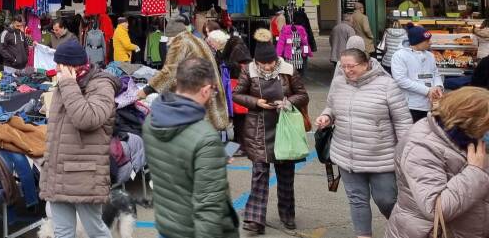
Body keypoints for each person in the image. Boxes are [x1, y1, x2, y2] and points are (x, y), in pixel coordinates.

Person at [315, 49, 411, 238]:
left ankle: (404, 231)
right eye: (343, 66)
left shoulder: (387, 85)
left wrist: (406, 153)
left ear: (366, 64)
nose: (346, 70)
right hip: (346, 154)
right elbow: (331, 106)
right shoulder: (338, 82)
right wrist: (326, 116)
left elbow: (402, 121)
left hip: (381, 157)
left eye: (351, 66)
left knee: (386, 200)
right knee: (357, 200)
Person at [142, 58, 240, 238]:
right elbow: (208, 209)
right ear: (205, 90)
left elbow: (172, 160)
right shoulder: (205, 138)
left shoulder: (152, 121)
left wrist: (211, 160)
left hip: (167, 224)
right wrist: (211, 156)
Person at [40, 22, 121, 238]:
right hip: (58, 172)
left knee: (95, 231)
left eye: (59, 66)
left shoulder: (101, 85)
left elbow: (87, 119)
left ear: (72, 67)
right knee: (62, 232)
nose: (56, 71)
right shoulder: (64, 85)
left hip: (83, 175)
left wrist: (67, 84)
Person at [233, 29, 310, 234]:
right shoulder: (248, 71)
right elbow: (237, 95)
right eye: (262, 63)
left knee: (286, 176)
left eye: (270, 62)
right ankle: (254, 220)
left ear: (276, 59)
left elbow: (303, 95)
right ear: (256, 61)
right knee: (259, 175)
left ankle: (287, 215)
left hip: (284, 129)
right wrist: (255, 102)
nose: (267, 66)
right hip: (258, 129)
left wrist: (287, 102)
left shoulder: (288, 69)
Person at [385, 87, 489, 238]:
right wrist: (473, 172)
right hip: (433, 232)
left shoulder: (471, 141)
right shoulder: (422, 147)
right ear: (469, 121)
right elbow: (436, 208)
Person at [141, 15, 229, 131]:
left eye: (168, 38)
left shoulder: (180, 43)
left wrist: (146, 90)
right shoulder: (197, 40)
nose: (167, 42)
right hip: (209, 93)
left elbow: (169, 72)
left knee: (197, 135)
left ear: (172, 35)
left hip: (199, 96)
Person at [391, 25, 443, 122]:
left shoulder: (430, 55)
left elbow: (435, 74)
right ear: (417, 42)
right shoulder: (399, 56)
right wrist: (427, 91)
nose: (430, 43)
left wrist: (439, 87)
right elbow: (401, 80)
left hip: (430, 104)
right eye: (427, 41)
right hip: (411, 106)